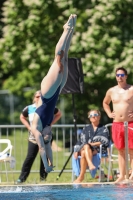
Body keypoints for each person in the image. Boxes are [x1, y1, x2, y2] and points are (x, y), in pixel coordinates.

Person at [31, 14, 77, 173]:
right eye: (50, 137)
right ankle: (71, 30)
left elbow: (43, 149)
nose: (50, 136)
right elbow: (48, 147)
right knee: (65, 59)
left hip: (47, 91)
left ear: (43, 134)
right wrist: (52, 163)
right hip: (56, 91)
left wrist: (46, 165)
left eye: (48, 137)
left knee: (58, 59)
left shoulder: (36, 128)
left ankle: (66, 29)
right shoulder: (48, 125)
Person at [16, 90, 62, 183]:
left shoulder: (49, 107)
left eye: (41, 96)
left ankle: (43, 178)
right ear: (34, 98)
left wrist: (51, 124)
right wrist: (29, 127)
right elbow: (22, 117)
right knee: (30, 156)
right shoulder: (29, 108)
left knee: (44, 156)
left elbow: (59, 114)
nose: (39, 98)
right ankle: (22, 178)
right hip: (33, 136)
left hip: (45, 135)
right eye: (37, 96)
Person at [103, 67, 133, 183]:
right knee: (120, 150)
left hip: (130, 123)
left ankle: (132, 175)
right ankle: (122, 175)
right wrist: (109, 113)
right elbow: (105, 103)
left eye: (122, 75)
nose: (119, 77)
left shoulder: (131, 89)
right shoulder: (111, 91)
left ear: (126, 76)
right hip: (117, 123)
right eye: (117, 75)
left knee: (132, 149)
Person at [73, 110, 109, 183]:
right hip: (86, 147)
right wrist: (76, 150)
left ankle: (81, 176)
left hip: (98, 149)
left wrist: (93, 144)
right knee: (86, 146)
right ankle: (90, 164)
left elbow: (105, 141)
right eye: (91, 115)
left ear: (99, 116)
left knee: (83, 152)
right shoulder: (86, 128)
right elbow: (81, 140)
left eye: (95, 114)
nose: (93, 116)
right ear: (89, 118)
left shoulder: (103, 128)